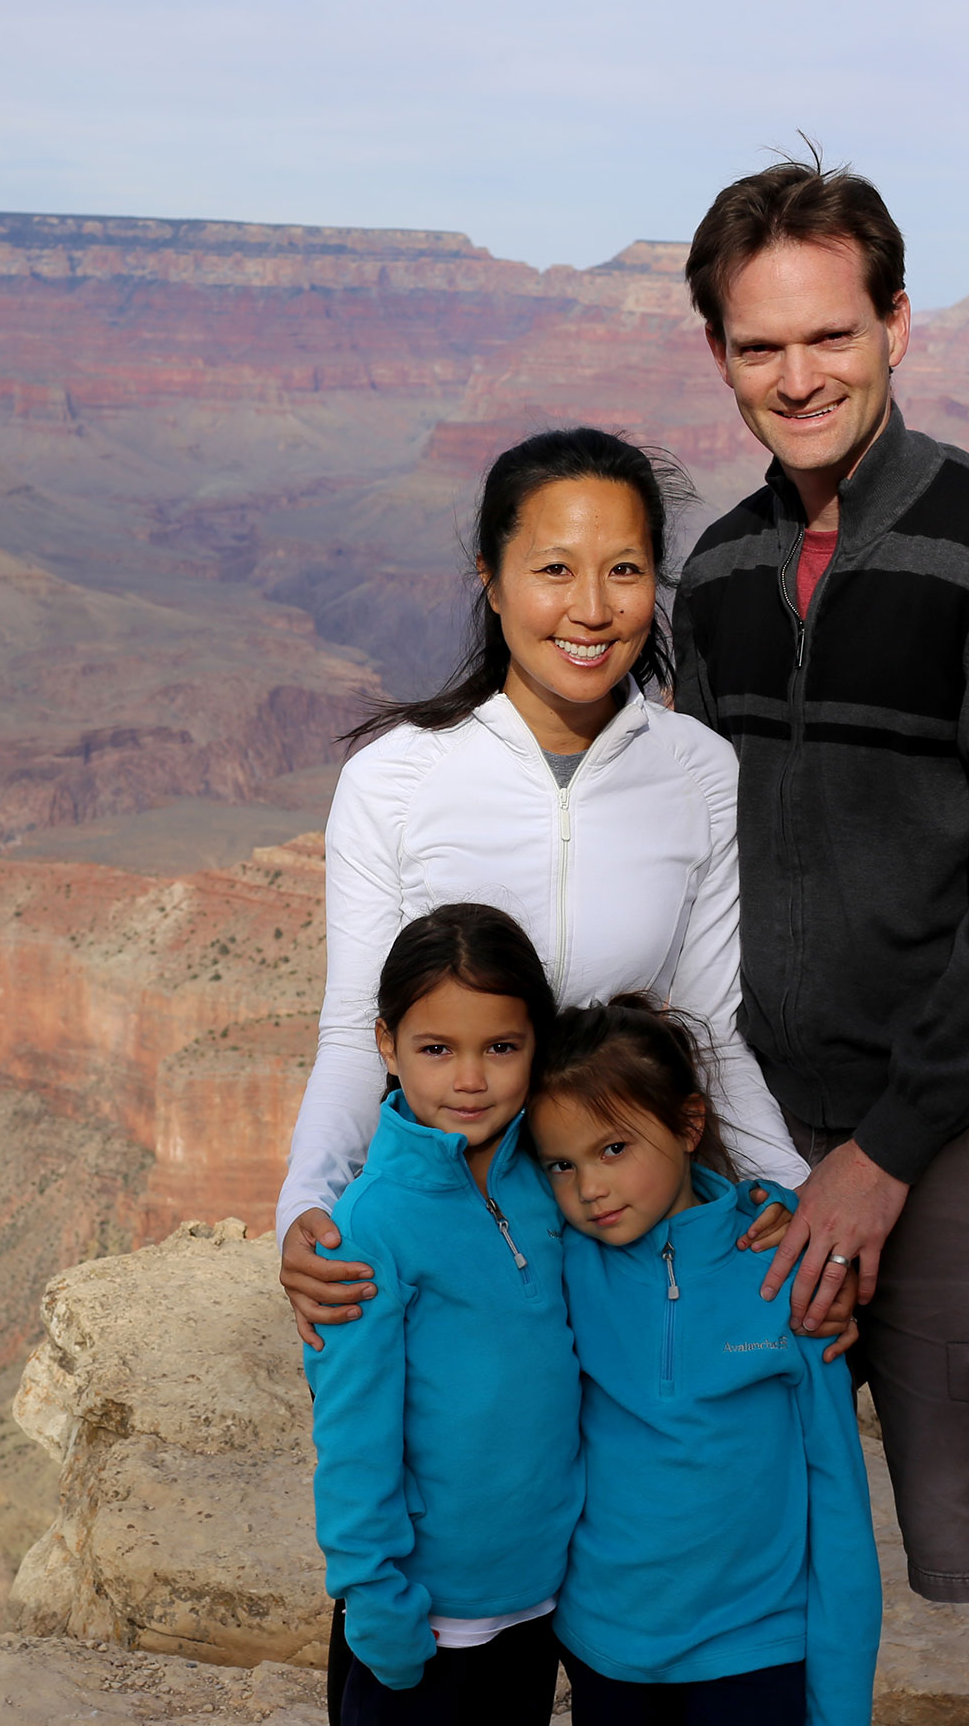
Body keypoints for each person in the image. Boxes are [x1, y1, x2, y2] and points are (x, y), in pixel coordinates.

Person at [669, 155, 969, 1726]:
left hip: (960, 1145)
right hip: (750, 1161)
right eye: (758, 346)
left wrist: (884, 1156)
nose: (799, 376)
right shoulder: (710, 578)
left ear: (899, 324)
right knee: (744, 1546)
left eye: (830, 335)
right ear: (720, 357)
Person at [279, 427, 809, 1348]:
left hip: (627, 1222)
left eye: (626, 571)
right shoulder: (395, 780)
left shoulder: (698, 774)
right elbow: (356, 1032)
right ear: (491, 578)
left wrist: (786, 1193)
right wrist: (307, 1203)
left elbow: (711, 1028)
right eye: (555, 570)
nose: (593, 610)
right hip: (455, 1231)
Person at [530, 995, 880, 1726]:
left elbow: (835, 1483)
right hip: (609, 1648)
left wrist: (838, 1702)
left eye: (615, 1148)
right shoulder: (564, 1268)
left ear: (689, 1125)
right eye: (561, 1164)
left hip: (753, 1647)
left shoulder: (785, 1268)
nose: (590, 1188)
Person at [306, 902, 578, 1726]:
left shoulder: (550, 1182)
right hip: (416, 1618)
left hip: (530, 1606)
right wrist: (375, 1596)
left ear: (536, 1044)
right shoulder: (373, 1224)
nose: (469, 1078)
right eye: (436, 1049)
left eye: (501, 1048)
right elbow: (353, 1432)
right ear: (386, 1043)